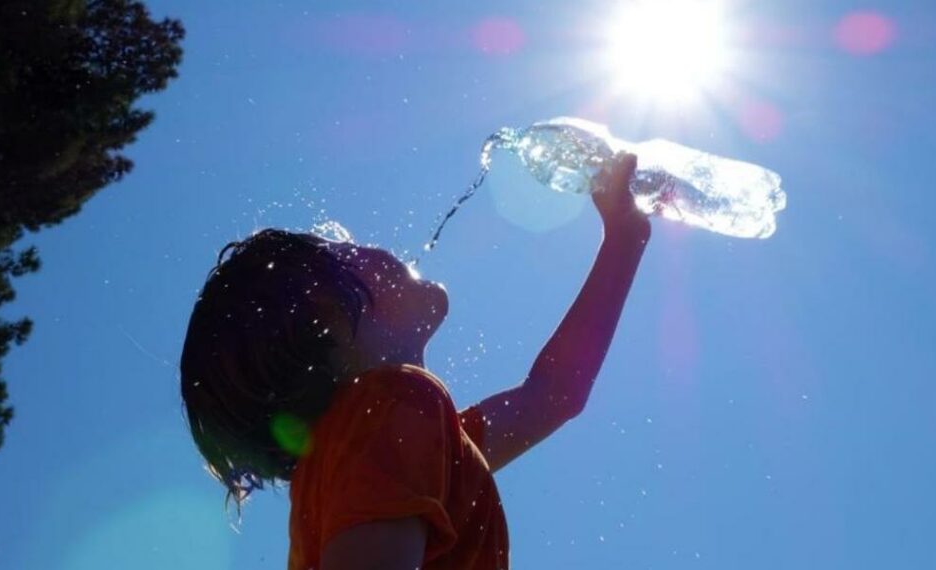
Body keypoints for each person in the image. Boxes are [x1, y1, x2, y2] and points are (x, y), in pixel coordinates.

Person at [179, 153, 650, 569]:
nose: (372, 248)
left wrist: (625, 237)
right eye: (346, 253)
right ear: (328, 320)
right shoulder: (388, 409)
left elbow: (554, 395)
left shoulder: (397, 441)